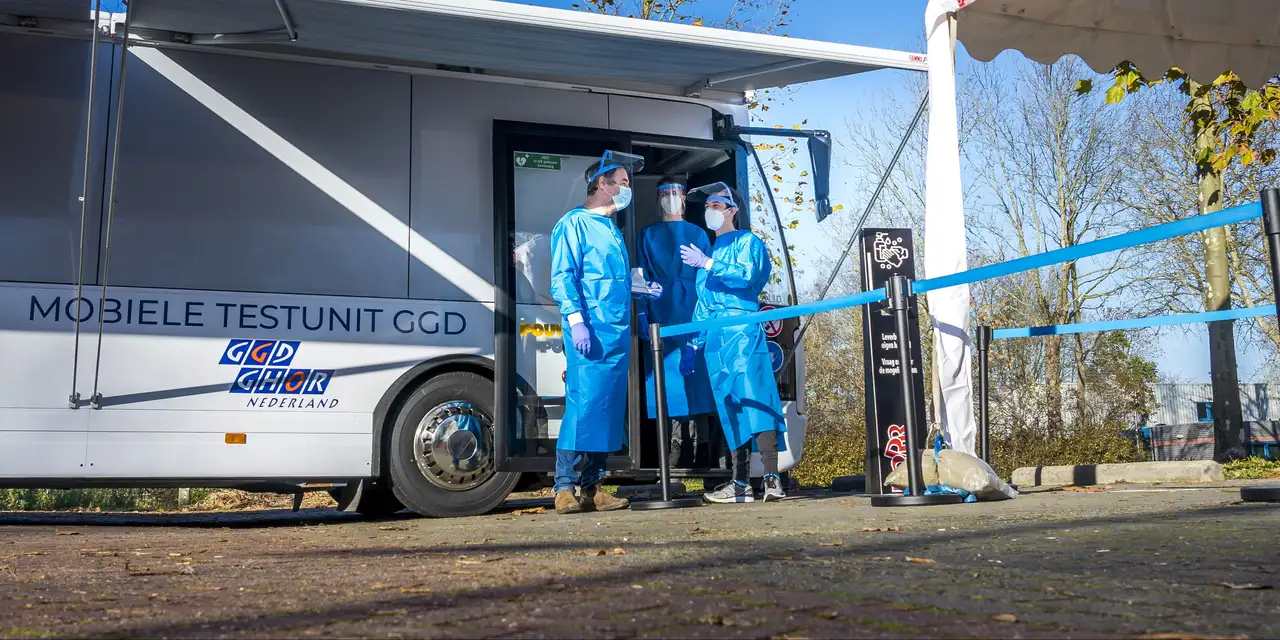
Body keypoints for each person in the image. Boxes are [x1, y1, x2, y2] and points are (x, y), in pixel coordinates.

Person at [549, 150, 660, 515]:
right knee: (582, 405)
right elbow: (563, 276)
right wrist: (576, 320)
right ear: (602, 183)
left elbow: (611, 279)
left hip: (615, 332)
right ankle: (564, 487)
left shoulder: (612, 229)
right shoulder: (573, 224)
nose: (628, 189)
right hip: (589, 330)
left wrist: (638, 287)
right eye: (623, 182)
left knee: (606, 408)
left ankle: (592, 488)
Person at [679, 183, 787, 503]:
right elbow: (703, 305)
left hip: (742, 331)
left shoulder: (747, 242)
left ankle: (771, 478)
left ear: (732, 210)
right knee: (730, 407)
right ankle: (739, 482)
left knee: (756, 399)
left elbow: (749, 276)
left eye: (716, 205)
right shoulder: (710, 252)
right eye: (707, 206)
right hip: (716, 340)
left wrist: (709, 265)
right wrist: (693, 344)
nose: (709, 211)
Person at [638, 178, 715, 468]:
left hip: (694, 313)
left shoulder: (698, 233)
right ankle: (672, 449)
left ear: (684, 199)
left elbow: (707, 280)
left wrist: (706, 318)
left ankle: (699, 447)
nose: (671, 198)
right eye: (665, 193)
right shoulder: (647, 235)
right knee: (666, 383)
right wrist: (643, 311)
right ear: (658, 198)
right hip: (661, 315)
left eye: (676, 193)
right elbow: (639, 276)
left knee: (697, 381)